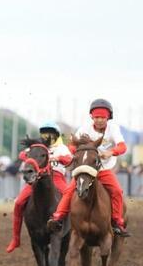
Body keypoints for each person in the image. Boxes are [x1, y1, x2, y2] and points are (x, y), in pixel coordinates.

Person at [48, 99, 129, 237]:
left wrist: (110, 152)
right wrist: (75, 151)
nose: (99, 120)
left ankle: (117, 222)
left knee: (117, 191)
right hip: (85, 168)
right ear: (92, 116)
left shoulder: (113, 129)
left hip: (103, 169)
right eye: (96, 117)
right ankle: (58, 218)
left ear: (108, 117)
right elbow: (72, 145)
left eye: (103, 117)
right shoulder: (84, 128)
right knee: (69, 190)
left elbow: (123, 146)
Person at [5, 121, 73, 252]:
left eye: (50, 132)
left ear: (56, 135)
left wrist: (56, 157)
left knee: (72, 200)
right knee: (19, 202)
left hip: (57, 178)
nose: (47, 135)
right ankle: (15, 239)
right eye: (44, 132)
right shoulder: (37, 147)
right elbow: (22, 154)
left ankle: (74, 233)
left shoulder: (62, 148)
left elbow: (69, 159)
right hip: (37, 179)